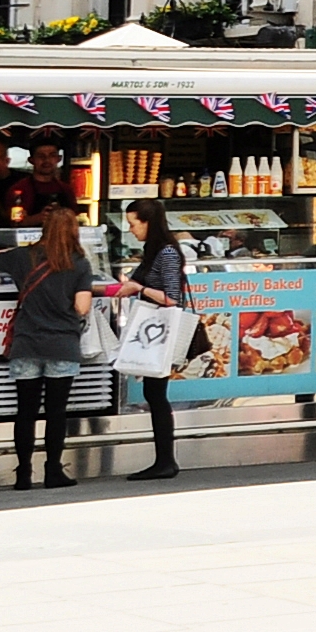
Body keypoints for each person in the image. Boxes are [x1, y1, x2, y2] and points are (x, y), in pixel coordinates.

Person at [2, 203, 91, 489]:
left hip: (27, 343)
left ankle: (23, 474)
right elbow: (82, 307)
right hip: (62, 344)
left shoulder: (22, 257)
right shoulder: (79, 263)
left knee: (25, 411)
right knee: (56, 412)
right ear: (74, 231)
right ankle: (53, 471)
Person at [117, 197, 188, 480]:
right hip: (153, 331)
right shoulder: (153, 250)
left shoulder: (167, 253)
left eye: (134, 224)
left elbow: (172, 297)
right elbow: (134, 283)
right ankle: (164, 459)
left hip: (161, 330)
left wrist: (140, 289)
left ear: (148, 222)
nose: (131, 230)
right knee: (154, 394)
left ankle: (165, 460)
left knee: (156, 395)